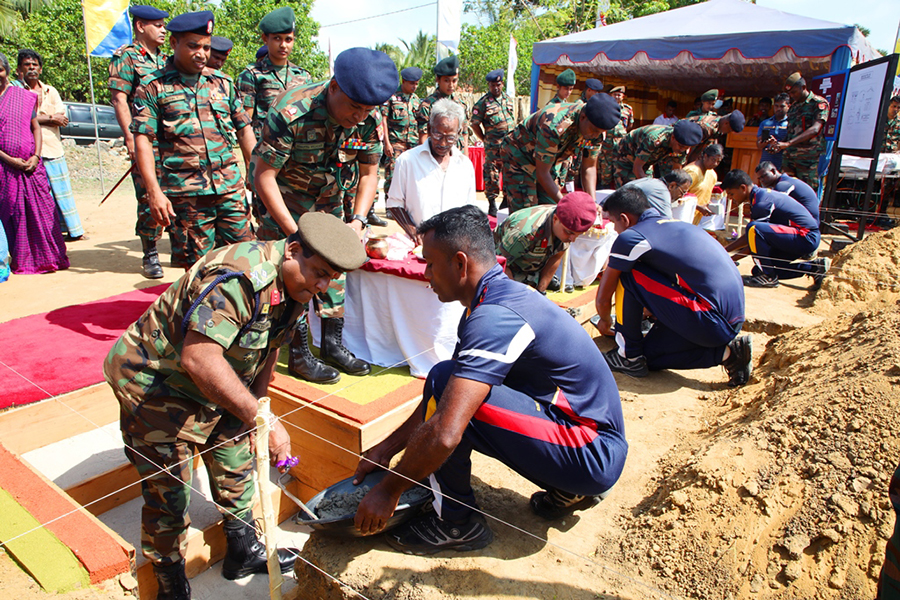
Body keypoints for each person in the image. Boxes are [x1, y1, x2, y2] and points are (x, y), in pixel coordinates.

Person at [104, 211, 366, 600]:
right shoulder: (241, 278)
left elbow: (266, 351)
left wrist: (258, 413)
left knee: (236, 460)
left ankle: (241, 549)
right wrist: (265, 419)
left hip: (218, 378)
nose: (324, 285)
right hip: (156, 383)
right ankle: (170, 581)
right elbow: (199, 359)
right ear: (293, 251)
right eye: (320, 273)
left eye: (331, 277)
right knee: (169, 495)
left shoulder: (297, 285)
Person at [351, 204, 628, 553]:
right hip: (589, 444)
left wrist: (388, 490)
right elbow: (440, 401)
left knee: (444, 387)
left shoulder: (495, 317)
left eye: (430, 263)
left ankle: (455, 523)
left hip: (592, 452)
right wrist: (386, 448)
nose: (426, 274)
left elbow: (446, 430)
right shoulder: (492, 301)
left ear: (460, 263)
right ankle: (567, 488)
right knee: (450, 386)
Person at [250, 47, 397, 384]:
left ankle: (332, 344)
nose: (359, 115)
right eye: (354, 106)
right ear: (333, 88)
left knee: (335, 271)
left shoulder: (369, 119)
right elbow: (264, 176)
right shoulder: (291, 112)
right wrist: (295, 235)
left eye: (367, 109)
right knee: (294, 277)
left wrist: (358, 220)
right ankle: (299, 353)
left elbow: (370, 172)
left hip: (331, 206)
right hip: (284, 207)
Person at [132, 11, 256, 273]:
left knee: (247, 260)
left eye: (206, 47)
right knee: (200, 270)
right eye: (193, 46)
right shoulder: (153, 87)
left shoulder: (223, 83)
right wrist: (154, 192)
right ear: (174, 43)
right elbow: (142, 140)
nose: (202, 53)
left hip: (229, 190)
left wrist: (254, 174)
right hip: (187, 196)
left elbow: (244, 129)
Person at [593, 187, 750, 385]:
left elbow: (603, 296)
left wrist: (605, 322)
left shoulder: (631, 237)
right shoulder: (674, 225)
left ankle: (627, 357)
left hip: (709, 319)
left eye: (614, 222)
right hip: (728, 321)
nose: (614, 229)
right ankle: (729, 354)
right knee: (648, 356)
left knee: (627, 274)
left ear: (624, 219)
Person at [108, 4, 169, 279]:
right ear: (140, 26)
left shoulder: (167, 59)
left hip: (172, 142)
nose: (163, 30)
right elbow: (119, 99)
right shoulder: (127, 58)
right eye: (157, 25)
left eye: (164, 25)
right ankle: (150, 252)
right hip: (146, 139)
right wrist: (130, 139)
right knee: (148, 196)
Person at [0, 51, 69, 275]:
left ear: (7, 72)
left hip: (32, 165)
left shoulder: (21, 96)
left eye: (0, 70)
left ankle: (50, 259)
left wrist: (36, 156)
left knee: (45, 212)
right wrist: (11, 160)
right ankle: (21, 261)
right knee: (14, 214)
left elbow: (35, 127)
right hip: (5, 168)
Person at [502, 93, 621, 213]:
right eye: (594, 131)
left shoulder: (596, 130)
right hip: (520, 158)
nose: (595, 136)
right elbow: (542, 173)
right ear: (583, 117)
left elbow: (589, 167)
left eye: (600, 132)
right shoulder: (554, 124)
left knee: (552, 211)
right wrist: (567, 205)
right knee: (526, 214)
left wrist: (592, 203)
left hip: (549, 162)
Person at [17, 48, 84, 242]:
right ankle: (45, 233)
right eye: (27, 65)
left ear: (40, 68)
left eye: (34, 65)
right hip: (30, 151)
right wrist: (49, 118)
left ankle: (72, 231)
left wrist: (41, 119)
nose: (31, 69)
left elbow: (62, 117)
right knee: (39, 195)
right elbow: (23, 118)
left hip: (53, 148)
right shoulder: (17, 91)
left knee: (62, 192)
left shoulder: (50, 90)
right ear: (19, 69)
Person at [386, 98, 476, 242]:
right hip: (419, 245)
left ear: (458, 133)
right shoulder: (407, 161)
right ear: (429, 129)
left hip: (453, 244)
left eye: (450, 137)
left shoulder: (465, 165)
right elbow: (394, 204)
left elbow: (470, 209)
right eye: (437, 135)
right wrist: (413, 231)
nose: (443, 143)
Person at [721, 169, 828, 289]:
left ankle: (768, 278)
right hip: (797, 237)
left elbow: (752, 237)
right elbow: (753, 241)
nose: (730, 198)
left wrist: (725, 256)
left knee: (754, 228)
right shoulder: (759, 196)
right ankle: (813, 267)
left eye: (731, 194)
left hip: (806, 236)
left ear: (743, 188)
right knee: (759, 269)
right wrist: (727, 255)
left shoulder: (762, 202)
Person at [495, 191, 597, 293]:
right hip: (502, 267)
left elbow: (556, 256)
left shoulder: (565, 225)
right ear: (555, 219)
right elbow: (499, 264)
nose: (573, 239)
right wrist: (515, 296)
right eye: (569, 233)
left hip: (531, 267)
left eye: (578, 235)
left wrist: (540, 291)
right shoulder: (525, 233)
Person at [237, 7, 310, 141]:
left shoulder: (303, 76)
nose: (283, 45)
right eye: (277, 39)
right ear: (265, 39)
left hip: (298, 152)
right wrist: (252, 159)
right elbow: (244, 123)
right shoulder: (252, 75)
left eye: (288, 40)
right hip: (266, 150)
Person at [769, 72, 828, 192]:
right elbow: (791, 132)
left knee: (806, 193)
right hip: (790, 158)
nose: (792, 95)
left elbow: (815, 129)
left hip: (808, 159)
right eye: (789, 93)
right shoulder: (794, 108)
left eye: (794, 92)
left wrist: (789, 143)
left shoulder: (818, 104)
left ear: (804, 88)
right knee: (786, 191)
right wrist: (779, 144)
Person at [471, 68, 515, 217]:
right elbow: (474, 124)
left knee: (509, 173)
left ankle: (506, 201)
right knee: (492, 175)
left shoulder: (508, 100)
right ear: (489, 86)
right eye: (492, 85)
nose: (496, 88)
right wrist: (484, 139)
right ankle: (492, 203)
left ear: (502, 84)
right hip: (492, 147)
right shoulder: (483, 103)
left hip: (509, 145)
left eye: (498, 84)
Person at [610, 120, 703, 187]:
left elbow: (676, 171)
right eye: (681, 146)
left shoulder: (682, 145)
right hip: (625, 157)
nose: (682, 150)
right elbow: (637, 168)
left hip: (646, 161)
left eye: (686, 148)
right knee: (629, 190)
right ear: (673, 137)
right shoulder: (654, 139)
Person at [381, 66, 422, 204]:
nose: (414, 87)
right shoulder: (392, 98)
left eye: (416, 84)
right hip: (396, 142)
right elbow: (383, 120)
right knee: (393, 175)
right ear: (403, 81)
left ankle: (406, 204)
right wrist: (386, 143)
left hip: (413, 143)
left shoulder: (416, 100)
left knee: (411, 175)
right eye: (412, 83)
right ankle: (390, 204)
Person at [416, 55, 468, 152]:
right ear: (437, 80)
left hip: (456, 158)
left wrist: (466, 162)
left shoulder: (460, 105)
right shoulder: (428, 105)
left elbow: (464, 135)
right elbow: (423, 137)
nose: (451, 85)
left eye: (454, 81)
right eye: (446, 80)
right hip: (436, 158)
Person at [619, 169, 693, 219]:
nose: (681, 196)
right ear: (672, 185)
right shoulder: (662, 192)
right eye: (682, 192)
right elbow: (666, 222)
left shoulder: (654, 181)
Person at [683, 143, 724, 224]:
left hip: (695, 219)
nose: (715, 164)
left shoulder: (712, 175)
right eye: (713, 160)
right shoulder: (692, 172)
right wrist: (698, 206)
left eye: (718, 161)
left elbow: (704, 195)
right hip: (683, 215)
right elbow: (679, 195)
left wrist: (709, 205)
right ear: (705, 156)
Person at [756, 93, 790, 170]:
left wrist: (779, 144)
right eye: (776, 106)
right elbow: (758, 145)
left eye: (782, 106)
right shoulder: (765, 123)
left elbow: (793, 144)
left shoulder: (791, 123)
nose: (779, 109)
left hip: (785, 164)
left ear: (788, 106)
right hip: (766, 164)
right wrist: (766, 142)